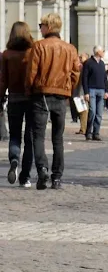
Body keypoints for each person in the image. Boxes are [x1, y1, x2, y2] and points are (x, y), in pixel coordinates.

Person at [25, 13, 80, 190]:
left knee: (38, 136)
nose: (40, 28)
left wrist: (29, 90)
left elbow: (31, 73)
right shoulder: (70, 48)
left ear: (48, 27)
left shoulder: (39, 46)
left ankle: (42, 170)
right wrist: (68, 89)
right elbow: (75, 73)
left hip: (41, 94)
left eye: (41, 25)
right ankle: (57, 177)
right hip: (61, 95)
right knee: (58, 138)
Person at [0, 21, 35, 187]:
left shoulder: (6, 54)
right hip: (31, 98)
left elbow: (2, 80)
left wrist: (1, 97)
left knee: (14, 135)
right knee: (30, 137)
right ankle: (25, 176)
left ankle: (14, 160)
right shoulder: (32, 53)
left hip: (13, 97)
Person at [82, 45, 108, 141]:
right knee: (92, 112)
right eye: (103, 51)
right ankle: (88, 132)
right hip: (91, 90)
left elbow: (105, 78)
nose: (104, 53)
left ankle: (96, 133)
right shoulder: (88, 63)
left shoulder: (102, 63)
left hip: (101, 90)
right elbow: (84, 78)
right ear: (98, 52)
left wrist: (106, 91)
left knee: (99, 114)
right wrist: (86, 92)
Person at [73, 53, 89, 135]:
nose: (79, 58)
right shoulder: (80, 67)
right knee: (81, 110)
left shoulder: (85, 67)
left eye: (81, 57)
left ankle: (83, 129)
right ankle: (83, 128)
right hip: (79, 92)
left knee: (83, 111)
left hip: (82, 92)